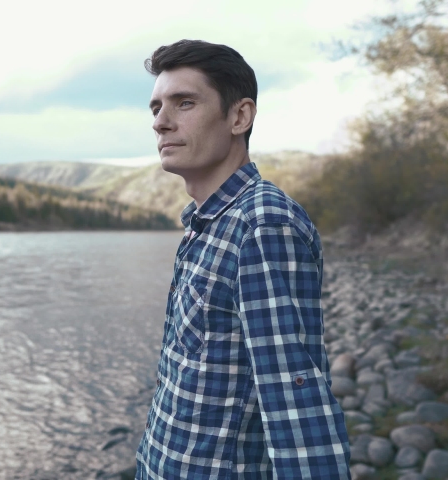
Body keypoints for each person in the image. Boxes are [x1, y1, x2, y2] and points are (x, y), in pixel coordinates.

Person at [135, 39, 350, 479]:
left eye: (184, 103)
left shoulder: (261, 222)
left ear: (239, 116)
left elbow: (294, 397)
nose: (161, 122)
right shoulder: (208, 222)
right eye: (156, 107)